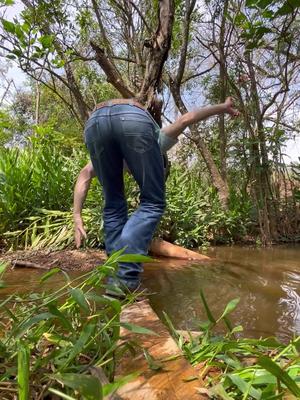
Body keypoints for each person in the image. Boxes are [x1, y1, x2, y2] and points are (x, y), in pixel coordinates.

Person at [74, 97, 239, 292]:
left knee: (113, 205)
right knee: (153, 202)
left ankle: (115, 278)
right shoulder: (157, 142)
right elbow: (186, 120)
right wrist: (222, 107)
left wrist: (77, 215)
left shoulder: (113, 153)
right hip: (132, 117)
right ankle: (126, 279)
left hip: (95, 123)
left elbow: (84, 175)